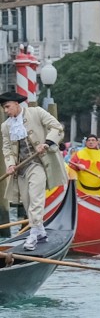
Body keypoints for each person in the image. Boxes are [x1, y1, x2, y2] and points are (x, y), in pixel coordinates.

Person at [0, 92, 67, 251]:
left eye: (7, 107)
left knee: (36, 198)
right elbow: (7, 148)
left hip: (39, 163)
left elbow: (57, 128)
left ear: (16, 104)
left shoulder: (37, 112)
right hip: (20, 168)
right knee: (28, 201)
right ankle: (40, 231)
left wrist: (47, 143)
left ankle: (33, 233)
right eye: (4, 108)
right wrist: (10, 164)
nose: (6, 111)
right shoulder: (5, 126)